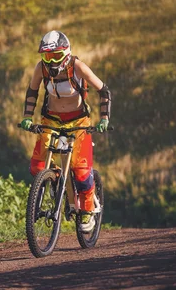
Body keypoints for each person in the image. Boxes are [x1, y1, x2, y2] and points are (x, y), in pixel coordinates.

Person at [20, 31, 111, 233]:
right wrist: (27, 117)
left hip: (78, 122)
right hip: (51, 120)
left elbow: (103, 90)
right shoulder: (41, 68)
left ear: (66, 53)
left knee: (81, 172)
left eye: (56, 56)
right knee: (37, 166)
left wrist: (104, 119)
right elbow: (32, 91)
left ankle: (87, 211)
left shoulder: (77, 67)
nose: (51, 61)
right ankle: (54, 178)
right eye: (47, 56)